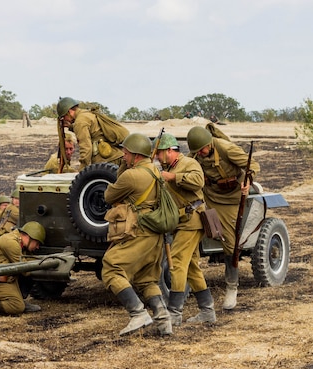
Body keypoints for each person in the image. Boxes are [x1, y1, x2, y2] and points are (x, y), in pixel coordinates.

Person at [101, 133, 172, 336]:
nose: (123, 156)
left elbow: (109, 195)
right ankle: (163, 319)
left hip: (138, 231)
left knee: (111, 266)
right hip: (155, 234)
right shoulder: (155, 171)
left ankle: (137, 313)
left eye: (125, 153)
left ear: (135, 155)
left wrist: (124, 169)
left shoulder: (132, 176)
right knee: (147, 279)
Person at [187, 126, 260, 310]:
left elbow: (253, 165)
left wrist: (248, 182)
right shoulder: (195, 155)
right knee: (189, 229)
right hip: (208, 194)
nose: (201, 154)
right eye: (197, 151)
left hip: (230, 197)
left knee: (229, 241)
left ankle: (231, 286)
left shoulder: (226, 149)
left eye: (203, 149)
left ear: (209, 143)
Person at [153, 133, 217, 325]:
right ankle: (207, 311)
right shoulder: (166, 168)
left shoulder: (188, 163)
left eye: (160, 153)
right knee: (191, 268)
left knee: (178, 264)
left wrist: (172, 177)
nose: (157, 157)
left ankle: (174, 312)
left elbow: (198, 181)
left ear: (170, 151)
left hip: (192, 221)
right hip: (180, 222)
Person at [0, 221, 46, 315]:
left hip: (4, 277)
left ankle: (19, 298)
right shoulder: (11, 243)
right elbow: (25, 270)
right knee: (16, 306)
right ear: (29, 237)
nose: (37, 247)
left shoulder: (18, 242)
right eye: (37, 243)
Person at [56, 97, 129, 170]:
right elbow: (93, 130)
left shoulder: (80, 122)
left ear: (69, 112)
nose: (65, 119)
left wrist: (82, 171)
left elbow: (86, 148)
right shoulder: (86, 114)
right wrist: (71, 127)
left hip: (106, 161)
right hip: (116, 156)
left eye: (64, 116)